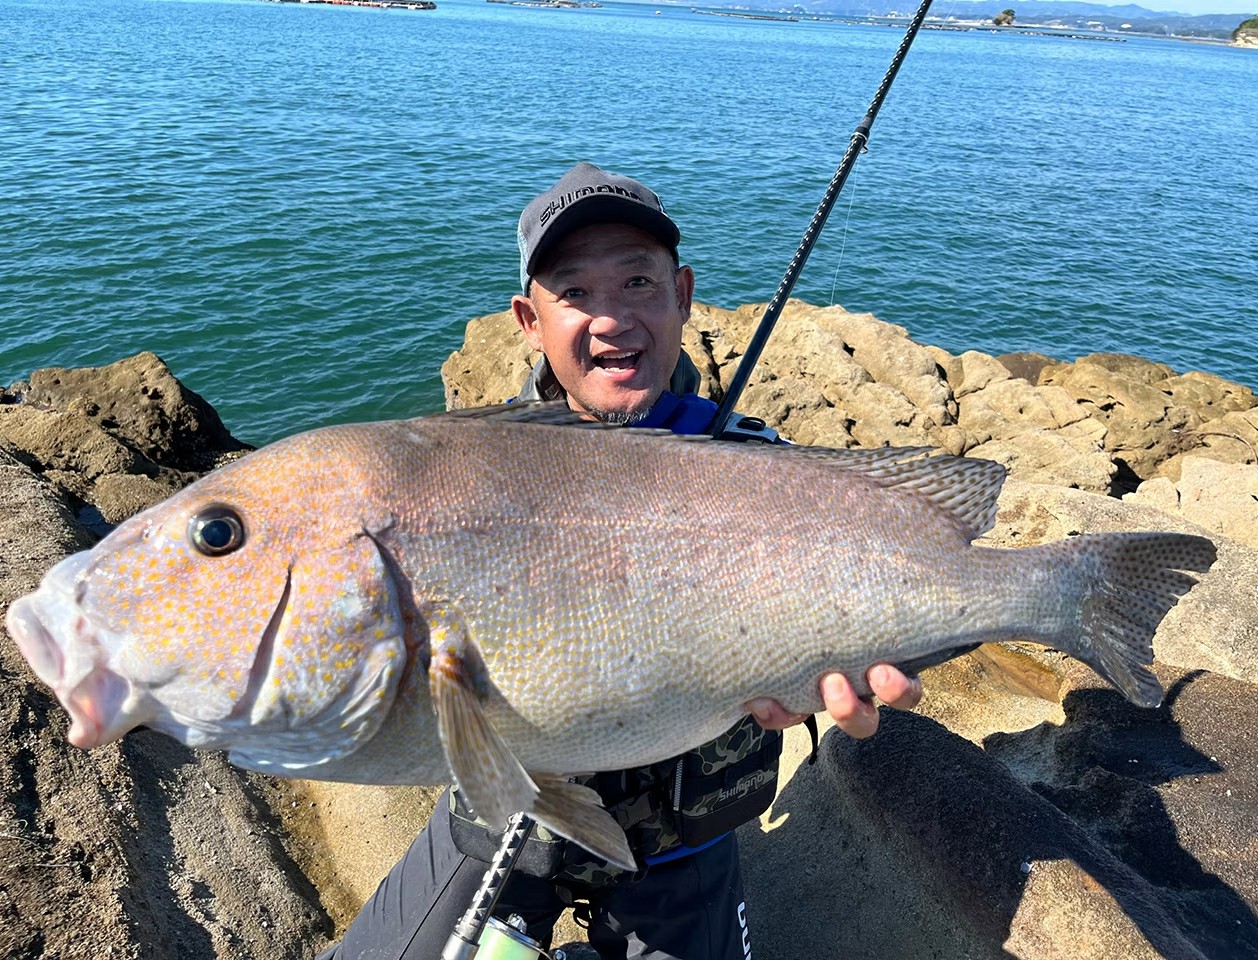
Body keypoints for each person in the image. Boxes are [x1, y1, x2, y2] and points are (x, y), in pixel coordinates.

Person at [318, 162, 923, 960]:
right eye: (575, 292)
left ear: (682, 296)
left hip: (687, 844)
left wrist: (838, 673)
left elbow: (858, 595)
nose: (611, 318)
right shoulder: (464, 467)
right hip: (508, 822)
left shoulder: (764, 470)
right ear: (529, 320)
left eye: (638, 281)